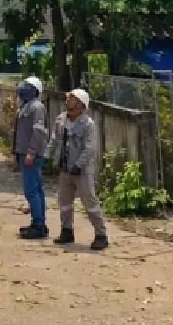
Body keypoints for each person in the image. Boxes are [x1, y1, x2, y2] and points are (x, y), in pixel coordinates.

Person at [45, 88, 109, 250]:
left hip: (82, 170)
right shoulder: (60, 119)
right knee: (64, 202)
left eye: (72, 99)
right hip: (65, 168)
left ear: (81, 104)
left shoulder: (88, 125)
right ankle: (67, 231)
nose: (68, 101)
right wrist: (46, 157)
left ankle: (101, 235)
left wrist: (78, 165)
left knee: (90, 202)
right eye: (68, 98)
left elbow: (90, 149)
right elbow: (54, 140)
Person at [14, 77, 49, 239]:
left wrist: (31, 152)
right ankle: (39, 223)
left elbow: (39, 131)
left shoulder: (37, 107)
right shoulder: (25, 106)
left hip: (31, 155)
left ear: (35, 90)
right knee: (36, 189)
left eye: (27, 86)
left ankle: (38, 225)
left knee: (31, 191)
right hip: (24, 153)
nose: (23, 88)